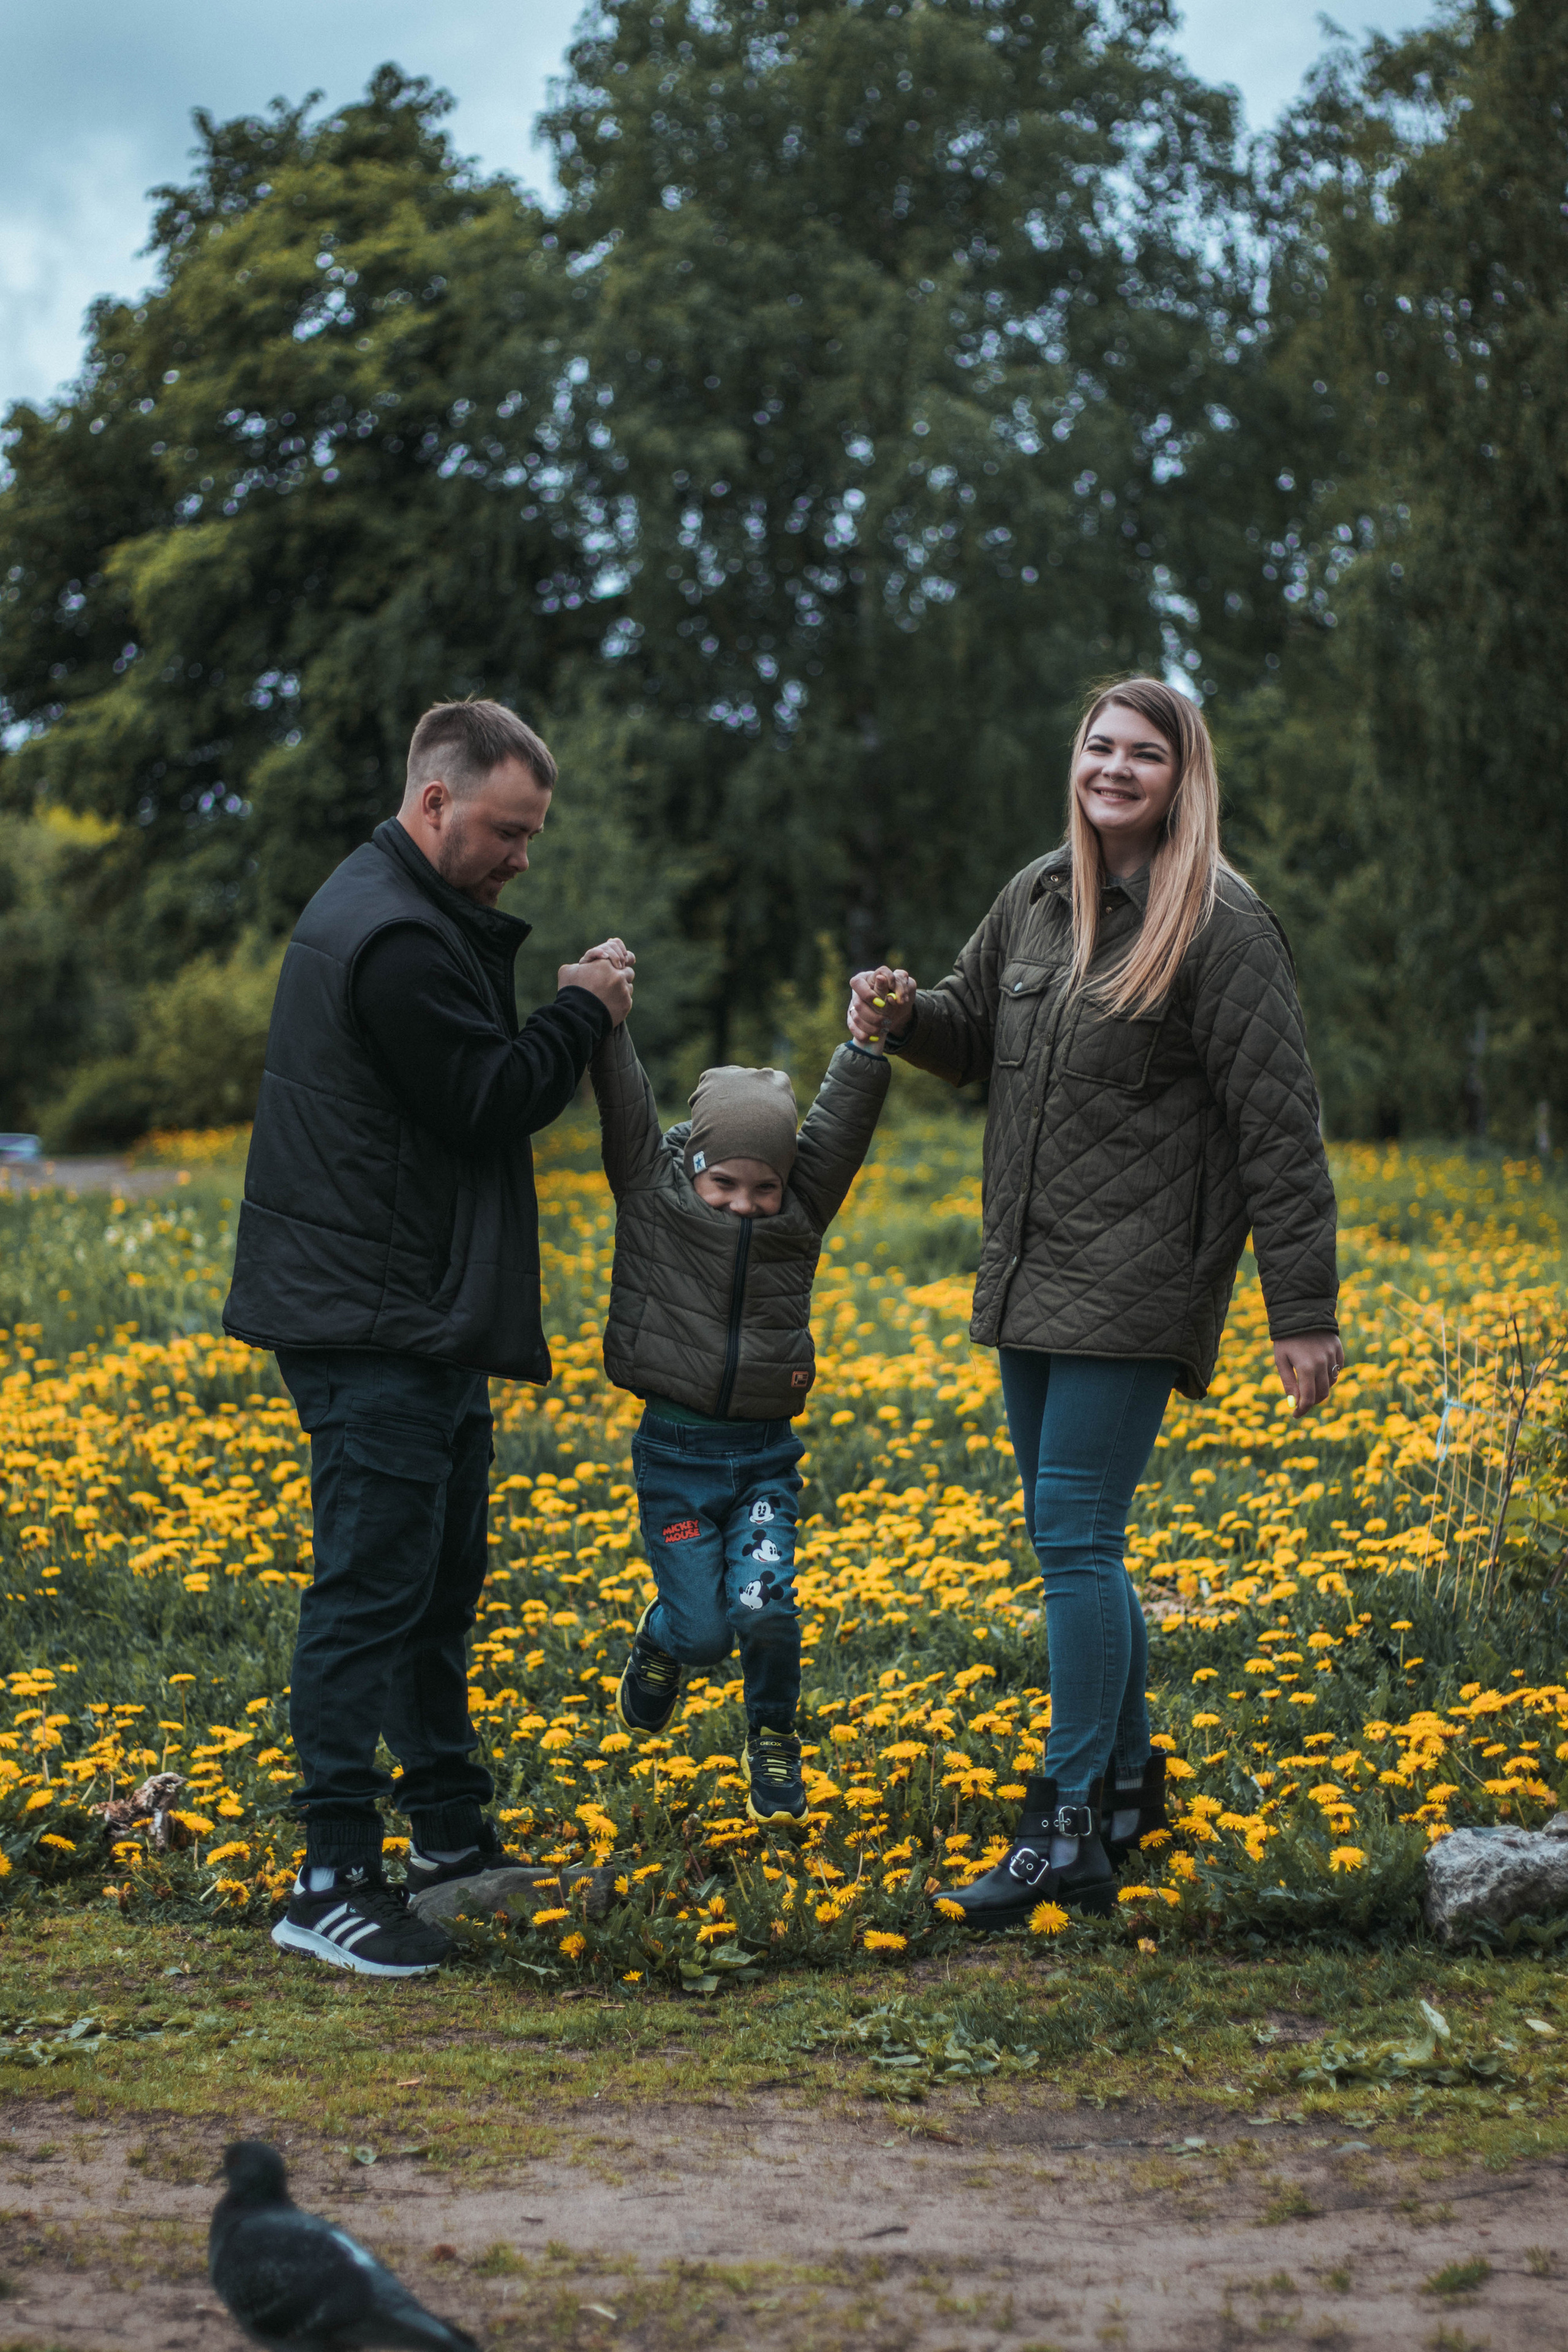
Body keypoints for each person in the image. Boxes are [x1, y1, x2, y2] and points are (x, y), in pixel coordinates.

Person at [847, 676, 1342, 1927]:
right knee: (1074, 1540)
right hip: (1028, 1267)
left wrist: (1300, 1309)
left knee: (1072, 1537)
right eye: (1097, 746)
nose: (1112, 769)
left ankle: (1065, 1827)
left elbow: (1277, 1129)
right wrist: (906, 1018)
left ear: (1182, 778)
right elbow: (971, 1035)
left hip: (1137, 1278)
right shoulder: (1034, 895)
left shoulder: (1219, 925)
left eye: (1141, 755)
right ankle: (1122, 1787)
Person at [224, 698, 634, 1977]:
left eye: (532, 836)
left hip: (412, 1314)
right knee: (368, 1590)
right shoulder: (393, 936)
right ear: (436, 801)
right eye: (507, 832)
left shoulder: (407, 908)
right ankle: (331, 1878)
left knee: (432, 1589)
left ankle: (450, 1842)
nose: (522, 858)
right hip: (373, 1320)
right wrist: (580, 1007)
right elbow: (488, 1098)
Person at [589, 1015, 891, 1829]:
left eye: (765, 1189)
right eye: (724, 1184)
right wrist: (611, 1022)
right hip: (676, 1464)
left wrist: (866, 1045)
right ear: (691, 1172)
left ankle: (772, 1735)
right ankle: (661, 1639)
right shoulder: (654, 1199)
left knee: (767, 1610)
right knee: (703, 1636)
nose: (746, 1205)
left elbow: (839, 1128)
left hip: (763, 1459)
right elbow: (625, 1107)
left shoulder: (800, 1216)